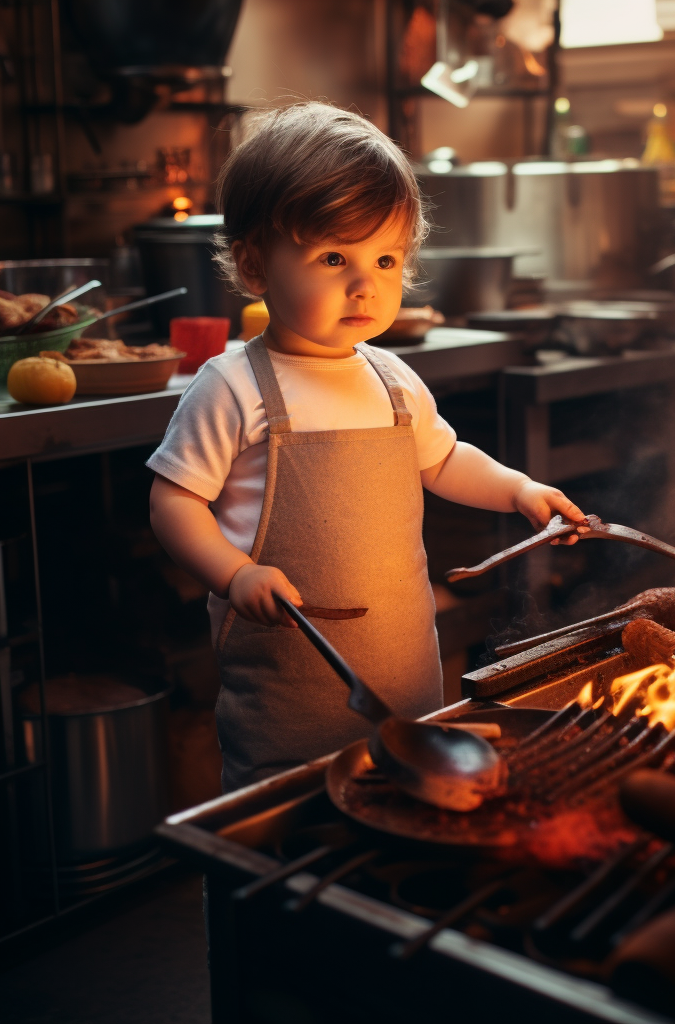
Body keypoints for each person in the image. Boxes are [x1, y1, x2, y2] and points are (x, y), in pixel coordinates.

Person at [147, 102, 583, 791]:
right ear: (256, 265)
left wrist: (519, 490)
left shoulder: (392, 379)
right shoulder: (233, 385)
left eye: (385, 259)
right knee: (283, 841)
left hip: (403, 684)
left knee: (396, 813)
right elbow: (173, 501)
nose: (365, 283)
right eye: (332, 258)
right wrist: (233, 574)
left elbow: (444, 459)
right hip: (285, 707)